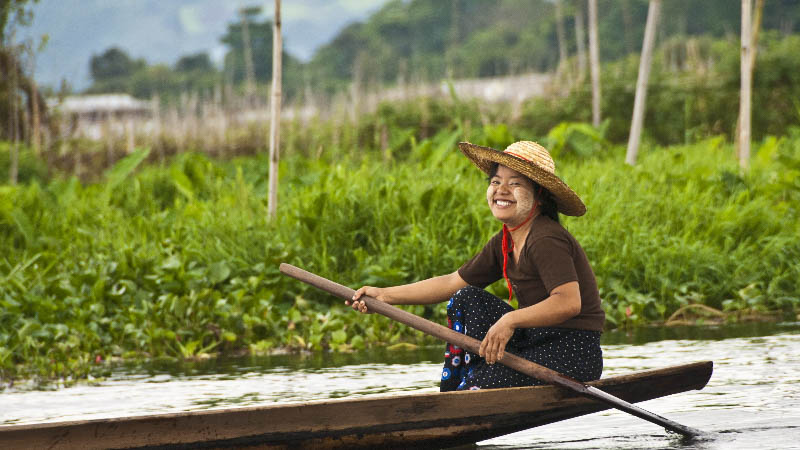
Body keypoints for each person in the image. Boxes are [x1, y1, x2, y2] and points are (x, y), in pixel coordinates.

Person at [347, 141, 604, 391]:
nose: (501, 190)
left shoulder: (546, 238)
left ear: (539, 195)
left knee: (481, 383)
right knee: (466, 297)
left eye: (515, 184)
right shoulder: (504, 241)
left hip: (572, 354)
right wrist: (384, 295)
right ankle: (466, 384)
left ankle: (475, 383)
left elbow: (568, 302)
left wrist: (510, 320)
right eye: (495, 181)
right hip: (534, 341)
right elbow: (451, 283)